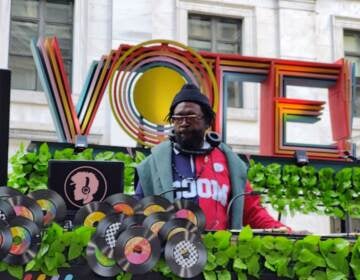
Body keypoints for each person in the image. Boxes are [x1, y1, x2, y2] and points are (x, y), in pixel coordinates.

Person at [135, 84, 288, 231]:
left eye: (191, 116)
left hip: (219, 252)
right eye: (177, 118)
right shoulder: (153, 164)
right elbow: (139, 209)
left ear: (207, 121)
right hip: (168, 253)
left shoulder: (230, 163)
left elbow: (252, 212)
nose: (183, 123)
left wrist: (283, 230)